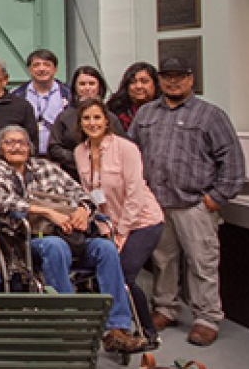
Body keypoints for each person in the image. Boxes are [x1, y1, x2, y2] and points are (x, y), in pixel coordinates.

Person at [0, 125, 145, 353]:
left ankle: (117, 328)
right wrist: (45, 212)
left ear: (30, 147)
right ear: (0, 148)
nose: (16, 147)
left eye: (21, 142)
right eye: (9, 142)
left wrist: (83, 210)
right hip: (28, 240)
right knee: (55, 247)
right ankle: (67, 321)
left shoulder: (46, 167)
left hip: (71, 235)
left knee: (105, 249)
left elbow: (81, 194)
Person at [130, 56, 244, 348]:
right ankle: (166, 308)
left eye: (179, 76)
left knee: (201, 262)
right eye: (167, 76)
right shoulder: (145, 114)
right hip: (156, 204)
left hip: (194, 204)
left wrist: (216, 198)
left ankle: (207, 317)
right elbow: (132, 153)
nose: (173, 81)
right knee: (162, 261)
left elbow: (231, 160)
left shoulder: (210, 115)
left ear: (191, 79)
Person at [75, 100, 164, 346]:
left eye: (96, 118)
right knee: (110, 272)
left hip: (142, 221)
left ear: (107, 121)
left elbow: (135, 193)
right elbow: (89, 195)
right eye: (86, 119)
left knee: (124, 275)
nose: (92, 123)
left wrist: (122, 232)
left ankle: (148, 332)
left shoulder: (126, 148)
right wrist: (106, 230)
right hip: (110, 224)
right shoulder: (79, 152)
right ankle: (117, 331)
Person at [47, 66, 123, 176]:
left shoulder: (110, 117)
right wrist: (80, 158)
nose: (87, 88)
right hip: (71, 175)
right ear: (75, 88)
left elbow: (122, 145)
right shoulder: (65, 116)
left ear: (99, 87)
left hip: (107, 174)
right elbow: (54, 147)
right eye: (82, 84)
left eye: (91, 84)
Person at [11, 49, 71, 155]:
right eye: (36, 65)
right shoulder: (16, 95)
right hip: (27, 155)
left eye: (47, 65)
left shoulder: (69, 94)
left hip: (61, 156)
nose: (41, 69)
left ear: (55, 69)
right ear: (29, 69)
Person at [107, 62, 159, 132]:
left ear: (155, 84)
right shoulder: (114, 111)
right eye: (133, 82)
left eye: (144, 81)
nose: (138, 86)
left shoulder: (165, 109)